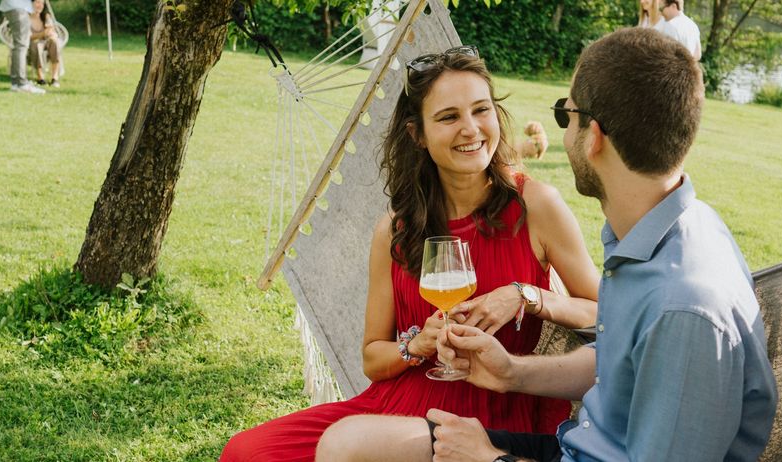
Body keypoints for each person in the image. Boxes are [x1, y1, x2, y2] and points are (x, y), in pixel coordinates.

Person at [315, 28, 778, 462]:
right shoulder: (658, 237)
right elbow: (615, 359)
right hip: (573, 444)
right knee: (344, 444)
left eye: (565, 113)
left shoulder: (685, 310)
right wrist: (512, 372)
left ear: (592, 136)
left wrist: (491, 458)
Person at [221, 46, 601, 462]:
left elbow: (607, 312)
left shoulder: (536, 205)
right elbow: (373, 357)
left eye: (481, 110)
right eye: (448, 117)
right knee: (246, 452)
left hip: (493, 413)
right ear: (416, 134)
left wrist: (527, 296)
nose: (471, 129)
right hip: (394, 406)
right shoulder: (396, 228)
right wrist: (417, 346)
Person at [0, 0, 45, 94]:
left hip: (16, 7)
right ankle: (21, 83)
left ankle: (16, 83)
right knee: (21, 46)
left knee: (20, 46)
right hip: (17, 7)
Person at [29, 0, 64, 88]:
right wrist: (42, 34)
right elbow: (28, 37)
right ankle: (41, 78)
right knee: (37, 45)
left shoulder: (45, 16)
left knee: (54, 42)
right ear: (31, 3)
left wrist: (50, 33)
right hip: (33, 44)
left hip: (46, 42)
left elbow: (51, 31)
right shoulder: (26, 18)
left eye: (42, 3)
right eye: (37, 2)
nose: (40, 5)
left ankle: (54, 78)